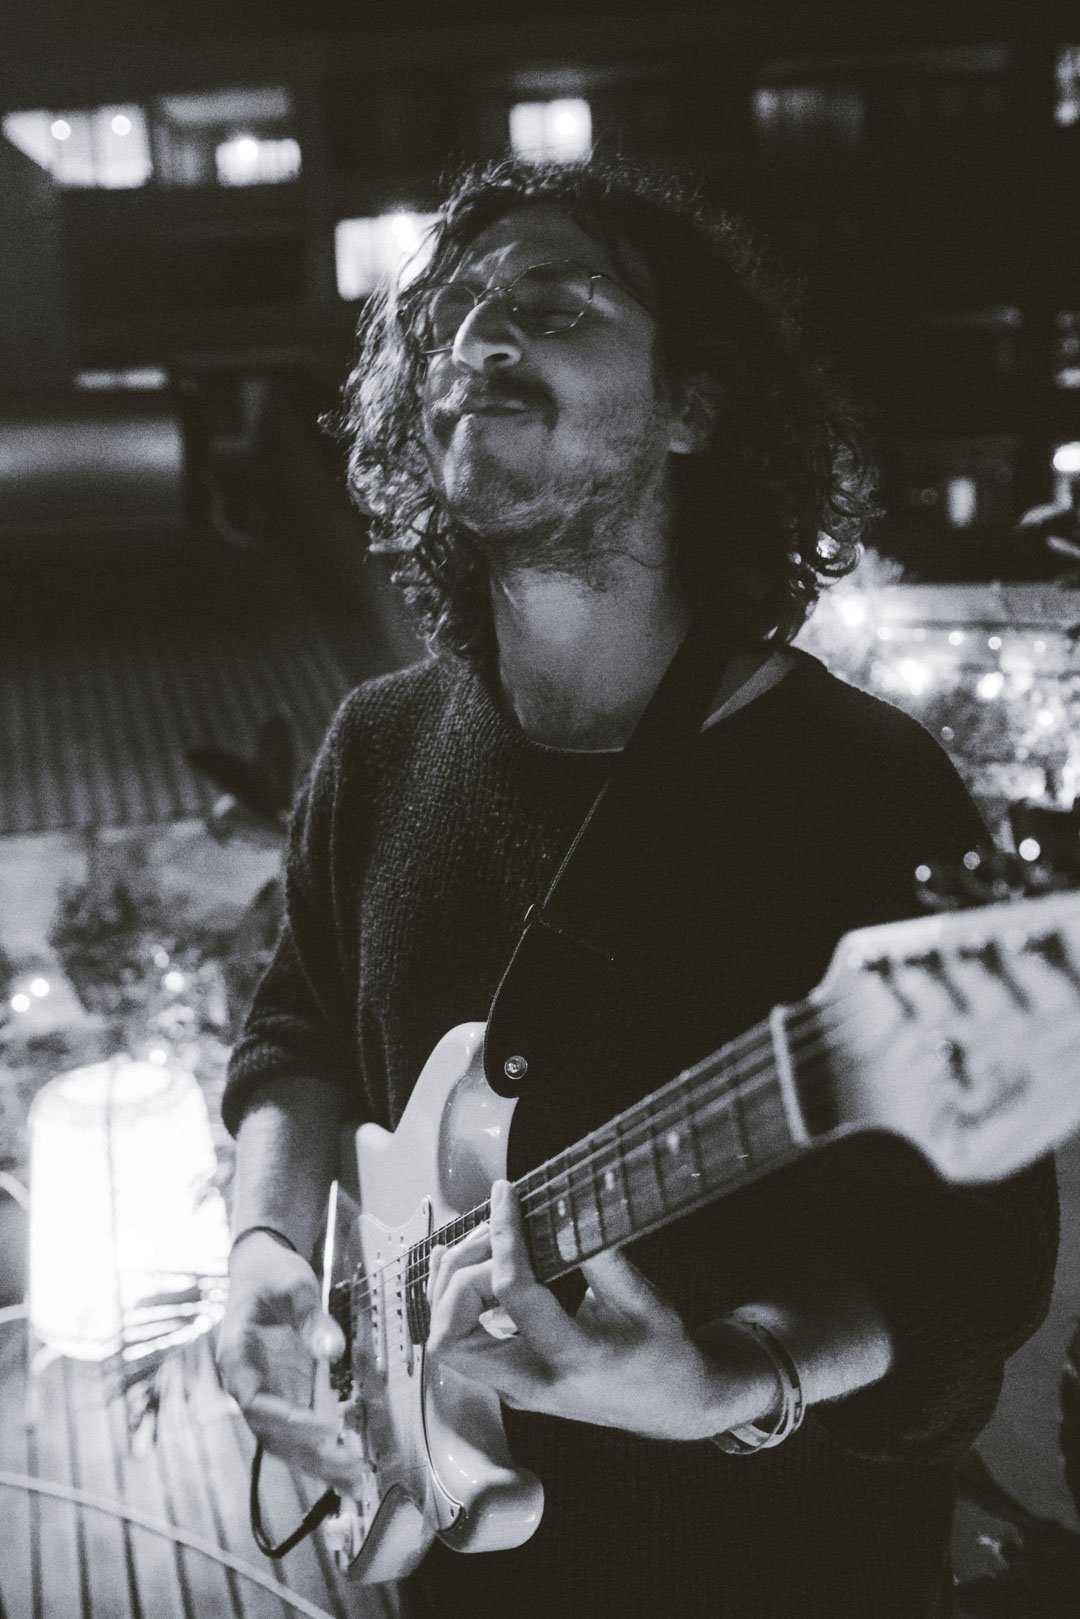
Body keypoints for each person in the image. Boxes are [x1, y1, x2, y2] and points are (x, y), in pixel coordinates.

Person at [217, 157, 1058, 1619]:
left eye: (554, 306)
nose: (481, 336)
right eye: (454, 317)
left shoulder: (857, 782)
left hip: (780, 1573)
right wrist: (265, 1251)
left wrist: (728, 1378)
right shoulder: (377, 745)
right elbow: (294, 1037)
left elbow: (975, 1268)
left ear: (694, 407)